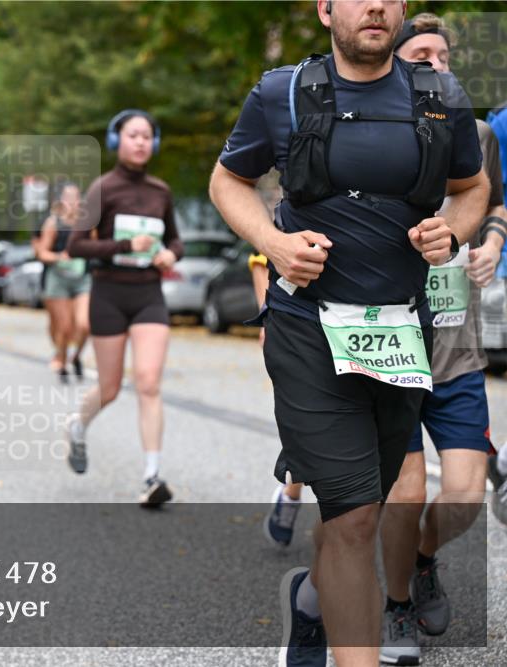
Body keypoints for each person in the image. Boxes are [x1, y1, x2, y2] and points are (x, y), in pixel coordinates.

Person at [208, 1, 489, 665]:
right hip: (307, 328)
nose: (376, 6)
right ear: (325, 9)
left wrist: (453, 231)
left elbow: (471, 187)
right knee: (356, 514)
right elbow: (227, 180)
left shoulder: (440, 97)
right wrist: (274, 243)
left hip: (401, 333)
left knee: (358, 515)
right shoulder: (281, 92)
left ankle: (310, 602)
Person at [377, 14, 507, 664]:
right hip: (390, 348)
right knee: (405, 494)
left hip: (457, 348)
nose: (436, 63)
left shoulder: (476, 134)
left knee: (462, 494)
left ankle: (424, 558)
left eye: (444, 54)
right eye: (420, 54)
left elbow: (496, 203)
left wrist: (493, 242)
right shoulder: (369, 132)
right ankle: (396, 603)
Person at [65, 109, 183, 508]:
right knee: (111, 387)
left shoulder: (160, 191)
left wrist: (170, 254)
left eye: (147, 136)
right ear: (117, 141)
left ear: (155, 143)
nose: (140, 142)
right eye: (133, 135)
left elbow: (176, 240)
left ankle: (152, 476)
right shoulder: (102, 188)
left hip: (148, 294)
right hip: (109, 294)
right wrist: (123, 246)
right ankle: (78, 424)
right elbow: (76, 245)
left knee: (148, 382)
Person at [251, 250, 308, 548]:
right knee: (308, 416)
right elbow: (260, 259)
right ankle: (291, 494)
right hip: (302, 322)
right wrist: (267, 311)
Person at [37, 183, 91, 382]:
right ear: (61, 200)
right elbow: (42, 253)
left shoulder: (87, 223)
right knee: (65, 327)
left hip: (82, 278)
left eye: (75, 197)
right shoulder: (53, 223)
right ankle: (61, 359)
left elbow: (95, 246)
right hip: (59, 278)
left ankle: (76, 357)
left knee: (84, 324)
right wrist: (60, 257)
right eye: (68, 197)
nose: (72, 202)